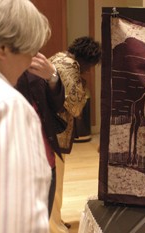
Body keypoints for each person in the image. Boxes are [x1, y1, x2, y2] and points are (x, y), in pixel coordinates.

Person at [0, 0, 51, 232]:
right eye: (30, 52)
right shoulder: (4, 106)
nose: (30, 63)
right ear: (1, 48)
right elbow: (12, 224)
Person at [49, 36, 102, 233]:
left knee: (55, 180)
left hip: (49, 128)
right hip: (55, 131)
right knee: (55, 181)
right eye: (91, 65)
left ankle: (56, 220)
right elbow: (76, 106)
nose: (90, 69)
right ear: (87, 59)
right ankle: (54, 226)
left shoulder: (57, 58)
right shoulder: (70, 68)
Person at [16, 52, 66, 217]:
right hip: (17, 166)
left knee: (43, 220)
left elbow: (55, 106)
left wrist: (52, 77)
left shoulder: (35, 62)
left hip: (46, 159)